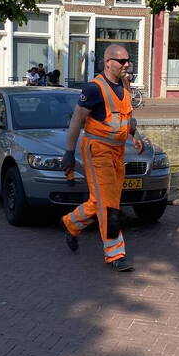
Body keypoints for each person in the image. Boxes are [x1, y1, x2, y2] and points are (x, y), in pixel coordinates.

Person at [59, 44, 147, 272]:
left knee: (104, 201)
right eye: (122, 61)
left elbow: (127, 117)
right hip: (97, 151)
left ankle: (71, 223)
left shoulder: (125, 86)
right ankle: (115, 253)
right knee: (109, 205)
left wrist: (134, 135)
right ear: (108, 62)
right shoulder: (94, 88)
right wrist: (69, 152)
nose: (126, 64)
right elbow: (77, 120)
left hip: (117, 151)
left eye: (128, 60)